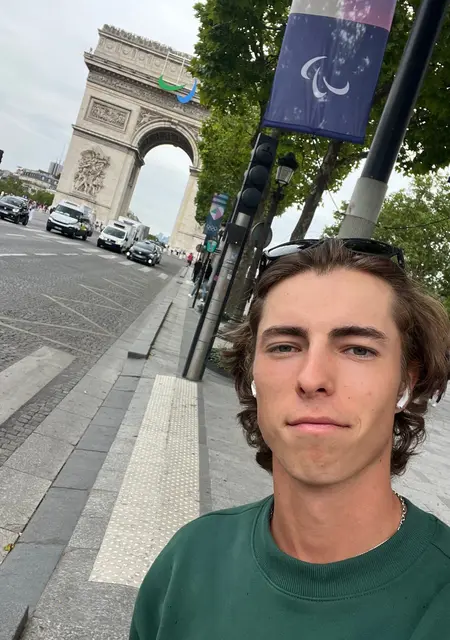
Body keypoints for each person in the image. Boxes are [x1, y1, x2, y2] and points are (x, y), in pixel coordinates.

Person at [130, 238, 450, 639]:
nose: (312, 378)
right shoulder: (189, 558)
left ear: (406, 382)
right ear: (252, 374)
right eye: (284, 347)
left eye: (358, 349)